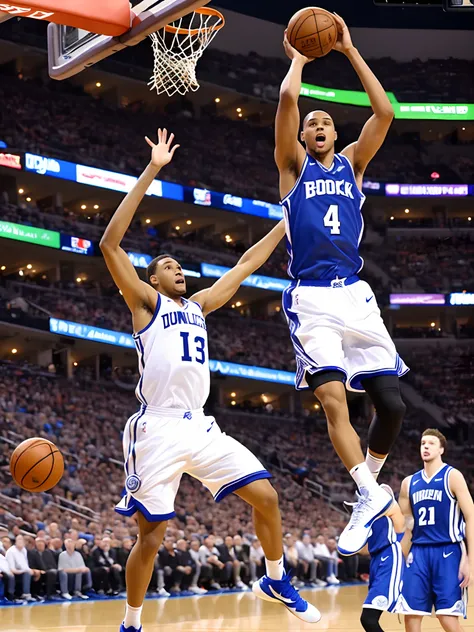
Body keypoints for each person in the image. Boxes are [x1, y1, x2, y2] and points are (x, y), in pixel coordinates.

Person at [99, 129, 321, 632]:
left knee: (266, 496)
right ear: (151, 278)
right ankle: (131, 622)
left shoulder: (199, 306)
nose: (178, 270)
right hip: (155, 430)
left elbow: (245, 265)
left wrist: (287, 221)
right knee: (150, 538)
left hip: (200, 426)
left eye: (180, 266)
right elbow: (109, 243)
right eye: (168, 266)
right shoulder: (145, 304)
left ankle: (275, 577)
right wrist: (152, 170)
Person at [274, 12, 408, 556]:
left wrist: (349, 49)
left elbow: (384, 111)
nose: (320, 123)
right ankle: (366, 490)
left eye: (326, 120)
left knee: (393, 408)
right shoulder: (292, 168)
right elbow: (287, 102)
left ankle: (365, 497)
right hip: (312, 298)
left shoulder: (353, 165)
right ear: (305, 137)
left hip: (355, 294)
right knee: (333, 399)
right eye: (314, 122)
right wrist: (300, 59)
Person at [396, 429, 473, 630]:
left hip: (447, 551)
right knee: (411, 614)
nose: (426, 446)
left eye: (431, 443)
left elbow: (471, 516)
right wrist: (398, 562)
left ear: (441, 450)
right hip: (418, 553)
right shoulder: (409, 483)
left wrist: (470, 560)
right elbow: (407, 527)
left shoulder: (452, 476)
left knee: (446, 617)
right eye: (423, 443)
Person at [357, 485, 405, 632]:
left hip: (391, 556)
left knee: (368, 618)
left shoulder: (393, 513)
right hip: (376, 560)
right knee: (369, 618)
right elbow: (364, 551)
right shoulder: (369, 520)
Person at [5, 535, 34, 602]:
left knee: (32, 572)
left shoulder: (24, 550)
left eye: (22, 540)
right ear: (15, 541)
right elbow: (12, 569)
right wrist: (25, 570)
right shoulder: (11, 551)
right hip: (11, 572)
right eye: (19, 540)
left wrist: (30, 570)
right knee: (27, 573)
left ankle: (33, 594)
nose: (21, 541)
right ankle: (25, 594)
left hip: (21, 571)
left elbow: (25, 565)